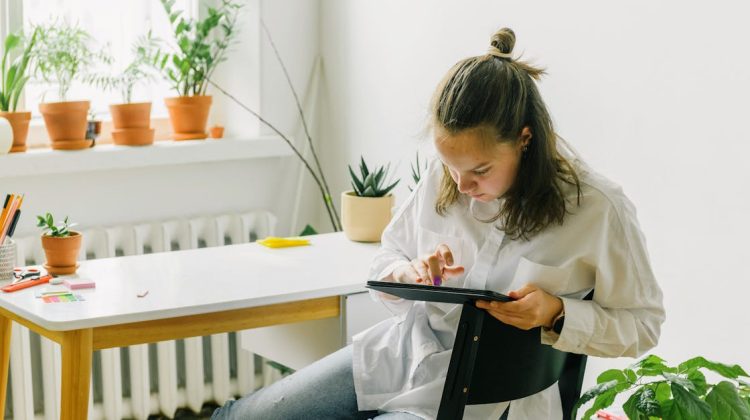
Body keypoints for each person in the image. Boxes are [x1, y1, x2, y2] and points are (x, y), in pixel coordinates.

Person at [212, 27, 665, 420]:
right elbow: (387, 258)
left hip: (490, 401)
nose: (462, 185)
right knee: (239, 416)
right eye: (451, 167)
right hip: (403, 358)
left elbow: (644, 325)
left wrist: (557, 313)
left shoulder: (597, 208)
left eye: (480, 171)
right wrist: (412, 272)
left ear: (525, 138)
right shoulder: (440, 178)